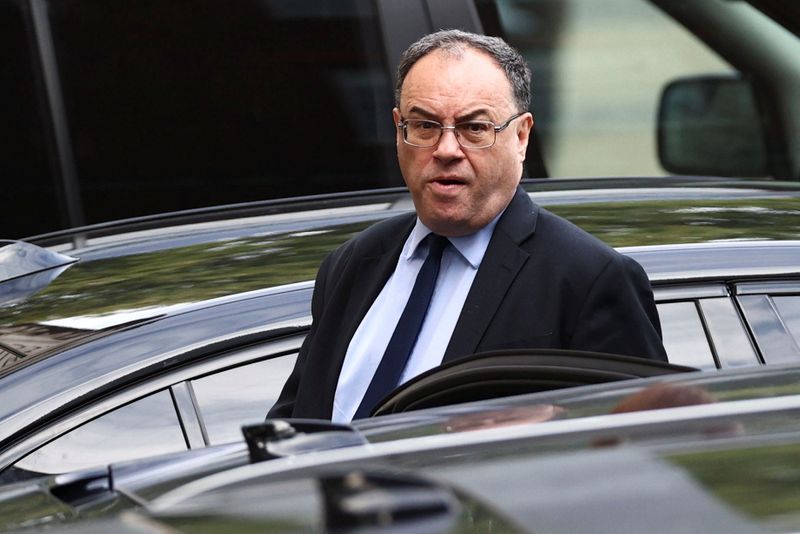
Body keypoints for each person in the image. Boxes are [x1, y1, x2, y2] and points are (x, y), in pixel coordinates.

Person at [268, 29, 667, 422]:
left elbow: (635, 454)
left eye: (474, 128)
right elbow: (293, 425)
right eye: (424, 126)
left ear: (522, 136)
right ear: (398, 130)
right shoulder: (353, 263)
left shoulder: (587, 280)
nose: (445, 150)